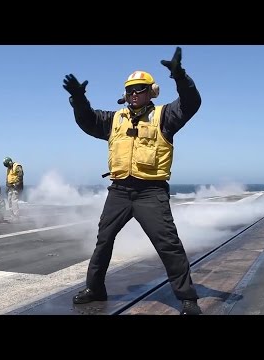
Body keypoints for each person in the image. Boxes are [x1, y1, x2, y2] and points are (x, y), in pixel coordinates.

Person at [62, 47, 202, 315]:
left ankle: (187, 298)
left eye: (139, 89)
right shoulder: (114, 119)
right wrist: (79, 99)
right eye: (130, 90)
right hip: (119, 191)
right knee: (104, 239)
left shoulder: (165, 117)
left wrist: (180, 76)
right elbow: (88, 121)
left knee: (168, 245)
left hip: (151, 192)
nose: (134, 94)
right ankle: (95, 288)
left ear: (152, 91)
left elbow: (191, 103)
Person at [3, 156, 24, 220]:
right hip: (10, 187)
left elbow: (20, 176)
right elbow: (8, 178)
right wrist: (7, 186)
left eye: (7, 165)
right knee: (9, 201)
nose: (7, 167)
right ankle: (12, 216)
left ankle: (16, 216)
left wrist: (16, 184)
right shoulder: (8, 168)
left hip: (16, 187)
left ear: (10, 162)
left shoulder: (17, 166)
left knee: (14, 201)